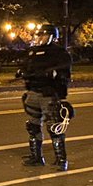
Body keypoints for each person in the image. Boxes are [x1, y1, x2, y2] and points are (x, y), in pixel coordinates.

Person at [19, 24, 73, 171]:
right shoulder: (32, 52)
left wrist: (53, 75)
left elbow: (65, 74)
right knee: (33, 126)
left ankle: (61, 159)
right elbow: (25, 67)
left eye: (43, 35)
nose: (40, 38)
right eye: (39, 35)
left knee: (54, 127)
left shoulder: (59, 53)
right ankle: (36, 157)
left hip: (49, 94)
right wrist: (22, 72)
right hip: (33, 92)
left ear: (52, 36)